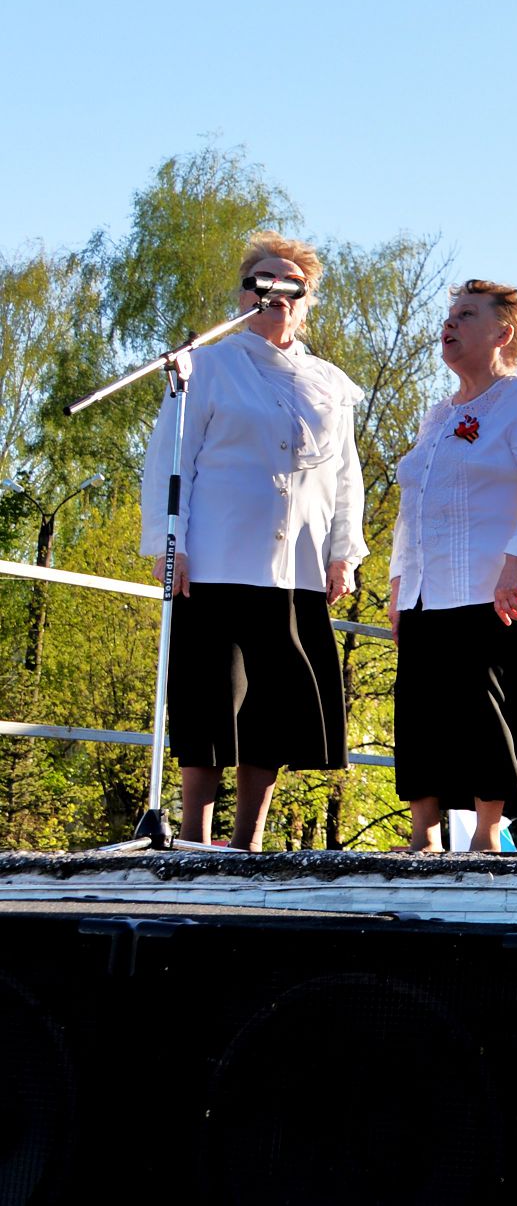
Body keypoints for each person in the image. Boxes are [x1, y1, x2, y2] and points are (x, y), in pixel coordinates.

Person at [136, 231, 362, 849]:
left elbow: (346, 477)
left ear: (307, 302)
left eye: (292, 286)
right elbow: (169, 460)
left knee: (273, 703)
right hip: (215, 559)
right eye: (261, 282)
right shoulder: (206, 366)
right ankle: (193, 837)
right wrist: (168, 544)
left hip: (297, 565)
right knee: (209, 696)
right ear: (241, 295)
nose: (275, 294)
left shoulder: (331, 383)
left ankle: (248, 842)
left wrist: (344, 553)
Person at [390, 280, 517, 852]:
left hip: (492, 586)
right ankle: (424, 837)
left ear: (502, 333)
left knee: (483, 708)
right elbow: (413, 504)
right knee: (419, 710)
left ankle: (485, 834)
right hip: (427, 590)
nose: (449, 324)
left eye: (466, 315)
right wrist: (400, 583)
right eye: (449, 315)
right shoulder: (438, 415)